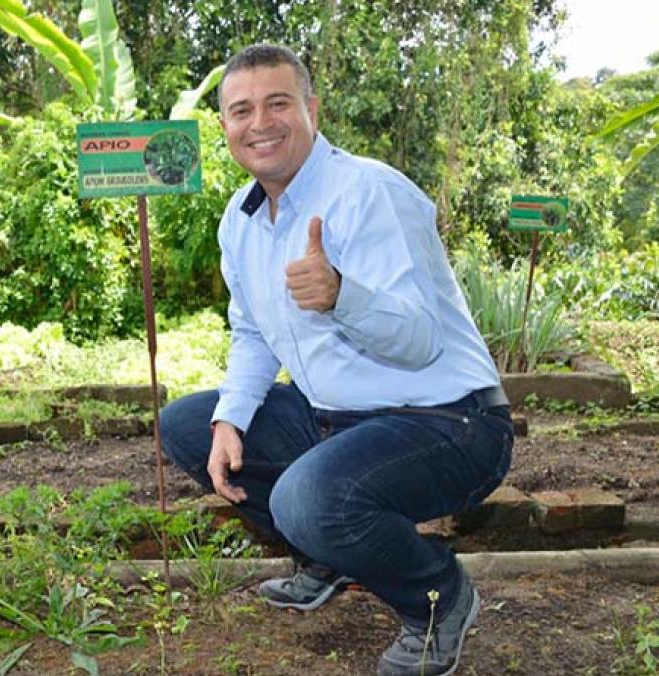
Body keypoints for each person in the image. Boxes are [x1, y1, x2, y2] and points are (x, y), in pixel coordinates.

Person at [159, 44, 513, 676]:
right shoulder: (240, 222)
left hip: (447, 421)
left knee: (307, 496)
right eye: (242, 110)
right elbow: (253, 334)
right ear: (225, 127)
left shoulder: (370, 192)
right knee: (190, 424)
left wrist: (343, 294)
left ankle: (438, 597)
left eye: (278, 103)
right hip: (337, 417)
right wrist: (230, 419)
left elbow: (421, 339)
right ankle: (323, 555)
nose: (260, 123)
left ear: (312, 110)